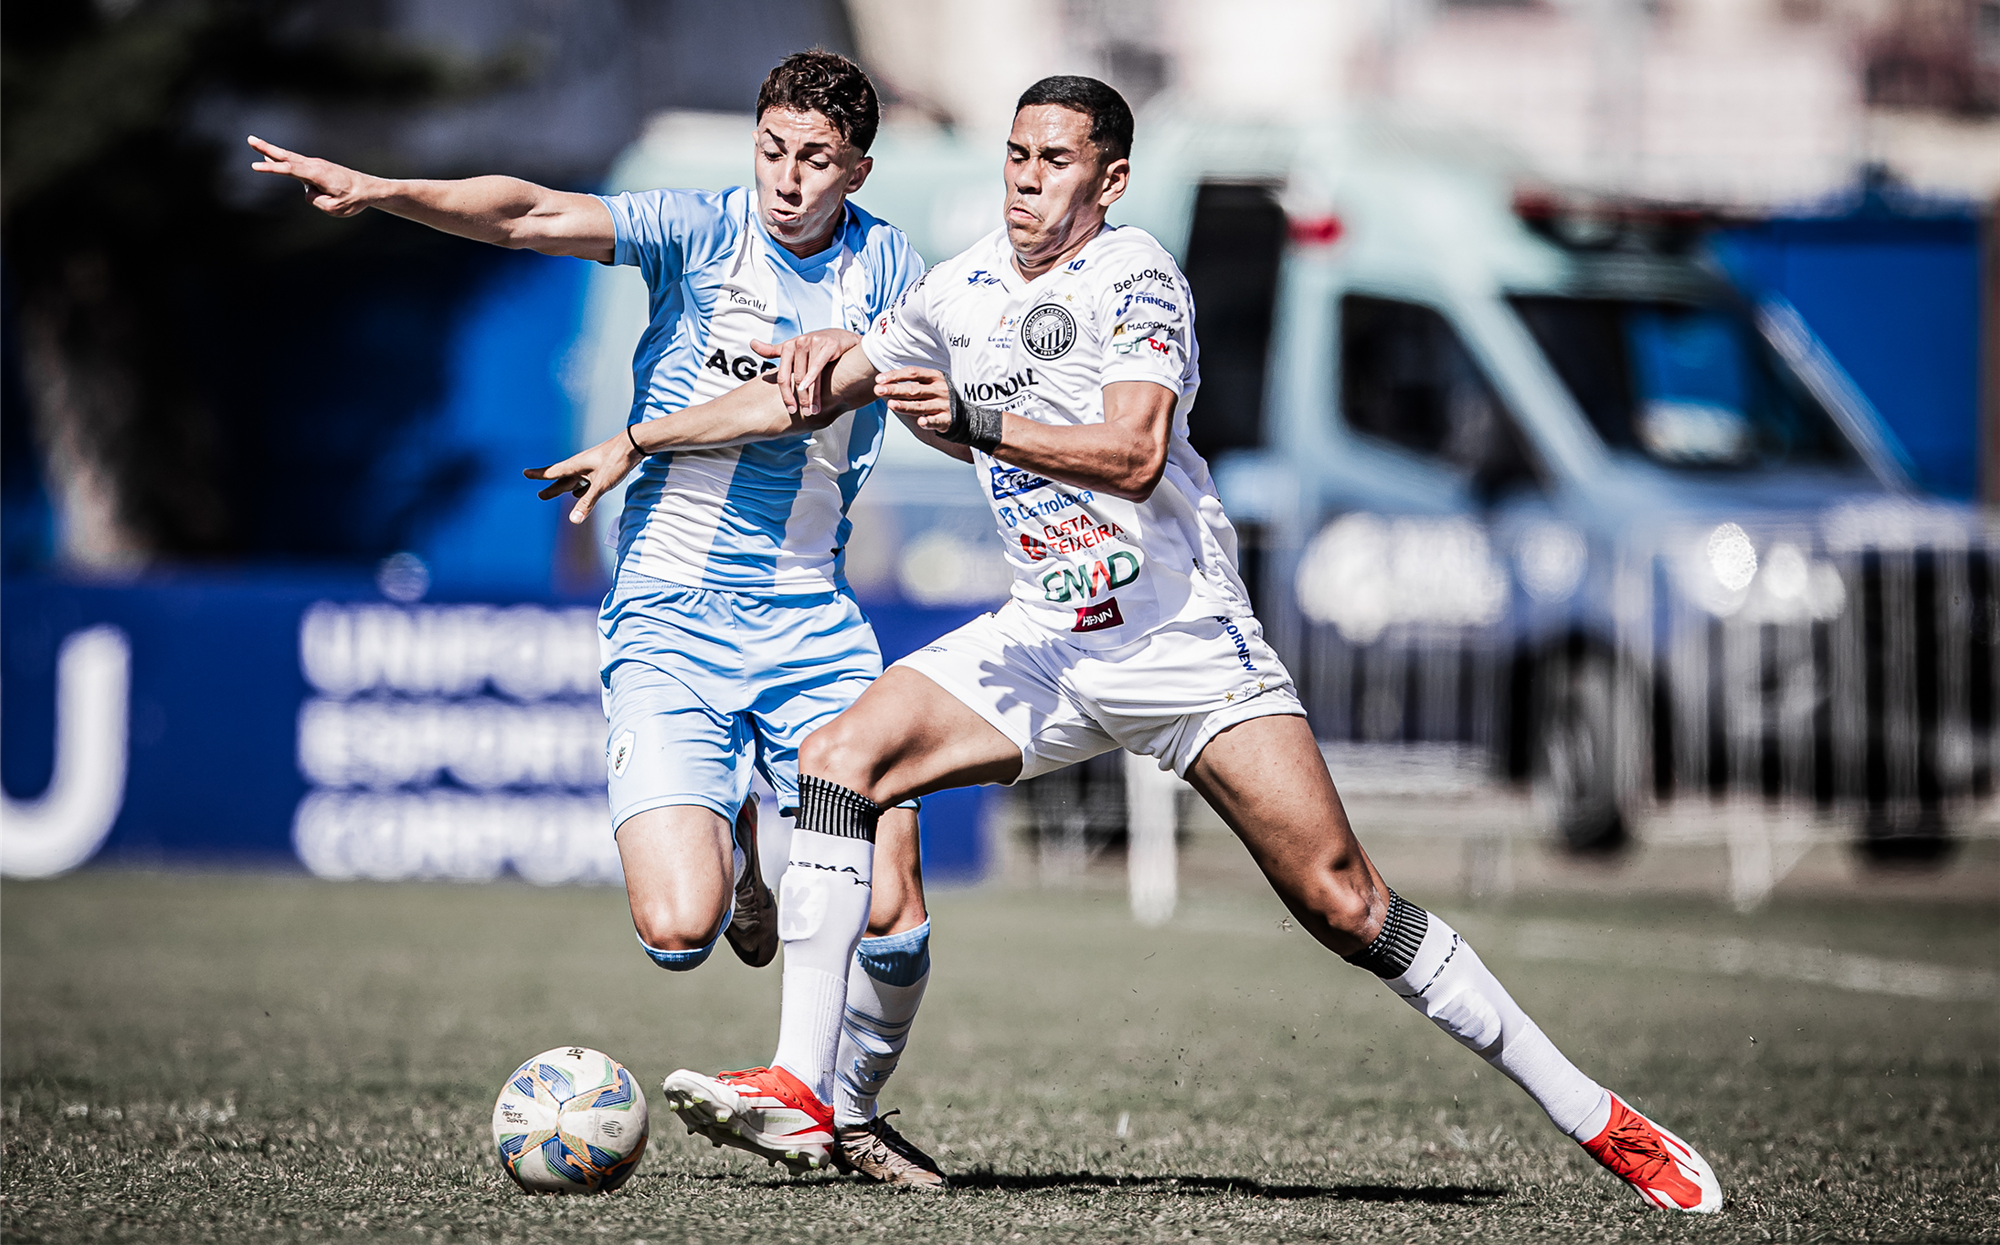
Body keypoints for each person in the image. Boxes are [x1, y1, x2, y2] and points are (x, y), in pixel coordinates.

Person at [535, 75, 1724, 1215]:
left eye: (1054, 163)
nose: (1024, 182)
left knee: (1346, 903)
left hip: (1182, 646)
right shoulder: (957, 288)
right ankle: (803, 1089)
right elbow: (812, 391)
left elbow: (1134, 452)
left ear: (1107, 183)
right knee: (839, 757)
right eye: (1013, 156)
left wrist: (980, 421)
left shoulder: (1136, 274)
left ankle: (1592, 1114)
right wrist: (648, 436)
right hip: (1045, 645)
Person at [250, 50, 950, 1189]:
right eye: (771, 149)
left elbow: (800, 398)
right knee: (679, 929)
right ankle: (742, 855)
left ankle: (843, 1108)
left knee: (894, 906)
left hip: (808, 616)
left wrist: (636, 438)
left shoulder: (889, 270)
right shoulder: (696, 228)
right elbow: (528, 212)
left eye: (814, 159)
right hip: (669, 615)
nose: (785, 178)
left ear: (856, 168)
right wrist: (385, 192)